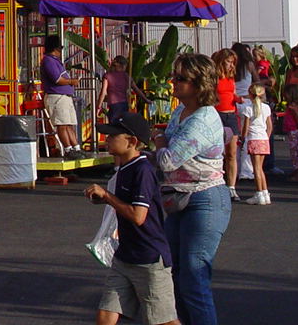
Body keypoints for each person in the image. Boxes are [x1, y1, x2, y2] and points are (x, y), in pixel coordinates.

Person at [154, 53, 230, 325]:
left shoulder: (202, 120)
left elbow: (168, 159)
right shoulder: (180, 111)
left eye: (181, 78)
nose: (173, 82)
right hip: (178, 199)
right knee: (173, 274)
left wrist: (160, 140)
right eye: (175, 76)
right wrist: (161, 142)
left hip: (204, 199)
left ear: (200, 85)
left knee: (194, 279)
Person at [85, 111, 180, 325]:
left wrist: (108, 197)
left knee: (163, 320)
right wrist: (105, 199)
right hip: (125, 256)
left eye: (113, 136)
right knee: (105, 313)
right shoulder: (124, 169)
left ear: (132, 142)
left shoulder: (142, 170)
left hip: (149, 259)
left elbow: (138, 216)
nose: (107, 139)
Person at [40, 35, 82, 158]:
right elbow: (57, 79)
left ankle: (76, 148)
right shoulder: (48, 61)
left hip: (64, 96)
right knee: (62, 124)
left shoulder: (54, 60)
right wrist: (71, 82)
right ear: (55, 49)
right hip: (56, 96)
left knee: (69, 123)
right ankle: (68, 149)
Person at [211, 49, 239, 201]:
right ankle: (217, 184)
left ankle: (232, 187)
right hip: (217, 115)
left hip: (231, 114)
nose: (231, 65)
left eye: (232, 62)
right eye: (228, 62)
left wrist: (238, 98)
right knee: (217, 152)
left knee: (232, 153)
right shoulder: (214, 78)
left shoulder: (231, 77)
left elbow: (231, 93)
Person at [243, 82, 274, 205]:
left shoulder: (248, 109)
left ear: (251, 95)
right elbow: (270, 126)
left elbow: (245, 128)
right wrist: (266, 137)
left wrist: (242, 138)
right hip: (263, 139)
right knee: (260, 168)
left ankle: (259, 193)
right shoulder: (266, 108)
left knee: (256, 169)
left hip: (254, 138)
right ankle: (265, 193)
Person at [280, 83, 298, 183]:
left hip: (295, 132)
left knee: (297, 152)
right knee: (294, 152)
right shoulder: (291, 106)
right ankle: (297, 170)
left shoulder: (294, 107)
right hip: (292, 132)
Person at [98, 55, 133, 123]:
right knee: (123, 125)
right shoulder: (125, 75)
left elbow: (103, 93)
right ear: (122, 66)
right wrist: (146, 99)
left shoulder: (107, 76)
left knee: (114, 126)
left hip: (113, 104)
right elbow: (135, 88)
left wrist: (98, 106)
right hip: (124, 104)